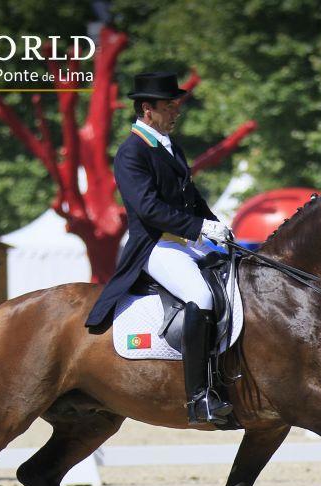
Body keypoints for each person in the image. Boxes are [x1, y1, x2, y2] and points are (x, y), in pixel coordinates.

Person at [85, 72, 234, 426]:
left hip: (188, 244)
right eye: (169, 106)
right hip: (156, 245)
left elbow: (192, 198)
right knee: (201, 297)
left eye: (175, 105)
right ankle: (199, 396)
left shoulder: (170, 147)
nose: (176, 111)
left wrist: (215, 226)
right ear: (147, 109)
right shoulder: (131, 152)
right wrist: (200, 228)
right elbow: (148, 208)